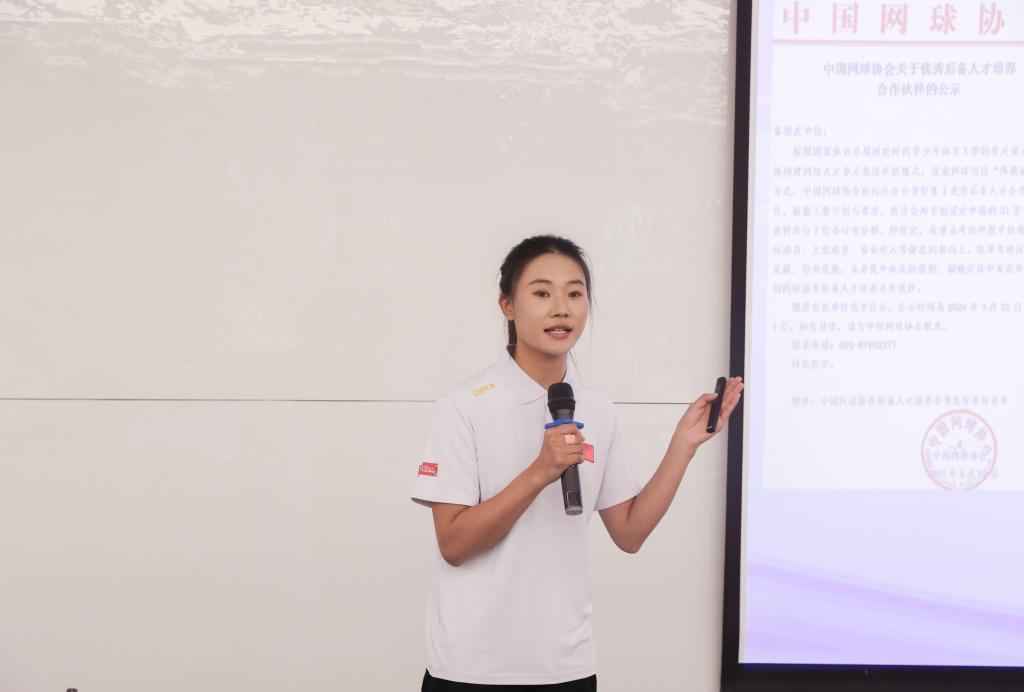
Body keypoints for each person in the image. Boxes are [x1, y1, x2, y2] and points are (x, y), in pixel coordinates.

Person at [411, 235, 743, 690]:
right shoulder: (464, 405)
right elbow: (454, 544)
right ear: (508, 305)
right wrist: (539, 473)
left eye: (574, 293)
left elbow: (630, 533)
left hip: (567, 666)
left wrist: (684, 444)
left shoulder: (596, 408)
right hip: (471, 669)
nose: (561, 309)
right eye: (541, 293)